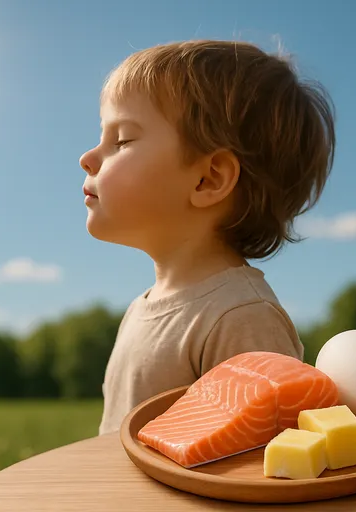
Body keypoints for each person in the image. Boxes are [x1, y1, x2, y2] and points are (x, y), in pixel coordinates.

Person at [78, 40, 336, 435]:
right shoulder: (142, 309)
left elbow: (270, 463)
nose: (89, 158)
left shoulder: (237, 317)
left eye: (123, 140)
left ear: (209, 178)